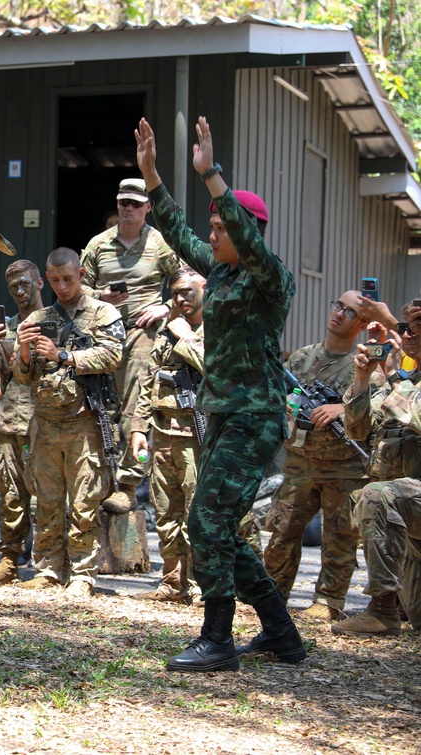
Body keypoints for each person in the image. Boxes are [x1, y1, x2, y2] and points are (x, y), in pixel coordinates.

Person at [136, 116, 305, 672]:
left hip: (254, 417)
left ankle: (217, 639)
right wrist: (152, 177)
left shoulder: (267, 276)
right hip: (220, 414)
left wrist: (212, 175)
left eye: (221, 229)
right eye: (213, 230)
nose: (211, 237)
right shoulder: (225, 275)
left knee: (206, 521)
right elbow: (180, 233)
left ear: (246, 230)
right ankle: (281, 635)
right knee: (222, 528)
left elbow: (241, 230)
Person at [12, 247, 124, 596]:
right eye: (56, 280)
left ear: (81, 276)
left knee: (84, 500)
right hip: (46, 422)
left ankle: (82, 573)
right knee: (45, 499)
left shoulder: (102, 312)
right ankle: (47, 569)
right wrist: (25, 351)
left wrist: (63, 355)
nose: (62, 286)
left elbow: (112, 355)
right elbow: (22, 376)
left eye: (68, 279)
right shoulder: (38, 318)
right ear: (46, 279)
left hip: (85, 422)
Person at [262, 293, 372, 621]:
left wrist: (342, 407)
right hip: (300, 460)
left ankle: (328, 602)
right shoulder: (301, 358)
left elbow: (371, 408)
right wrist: (286, 406)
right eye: (337, 305)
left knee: (340, 535)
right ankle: (272, 596)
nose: (339, 314)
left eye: (350, 312)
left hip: (343, 466)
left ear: (362, 324)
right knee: (282, 531)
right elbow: (283, 393)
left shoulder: (363, 366)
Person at [80, 178, 181, 514]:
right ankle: (98, 482)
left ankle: (128, 485)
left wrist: (165, 307)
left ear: (147, 208)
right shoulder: (98, 245)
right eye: (124, 202)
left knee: (135, 406)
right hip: (103, 332)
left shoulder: (159, 244)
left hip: (142, 332)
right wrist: (102, 296)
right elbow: (76, 291)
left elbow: (189, 282)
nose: (128, 208)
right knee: (97, 408)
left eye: (136, 204)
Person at [332, 304, 421, 636]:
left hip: (403, 501)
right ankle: (393, 604)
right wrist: (362, 377)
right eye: (405, 327)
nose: (406, 333)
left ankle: (382, 611)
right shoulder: (401, 380)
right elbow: (356, 429)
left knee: (375, 494)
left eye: (415, 327)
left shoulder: (401, 379)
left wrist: (396, 375)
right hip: (407, 515)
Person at [130, 266, 207, 604]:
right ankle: (172, 581)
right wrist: (138, 428)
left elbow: (214, 370)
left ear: (204, 289)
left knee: (196, 515)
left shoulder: (213, 330)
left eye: (187, 292)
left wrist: (184, 335)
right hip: (162, 434)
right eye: (175, 293)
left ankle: (202, 585)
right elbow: (148, 381)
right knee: (165, 513)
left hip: (197, 439)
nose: (180, 299)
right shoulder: (166, 332)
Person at [0, 259, 44, 583]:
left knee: (47, 496)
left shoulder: (53, 323)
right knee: (10, 495)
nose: (20, 290)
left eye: (26, 283)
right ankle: (9, 560)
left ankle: (49, 563)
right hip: (8, 423)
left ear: (40, 283)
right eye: (13, 285)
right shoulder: (6, 326)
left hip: (45, 422)